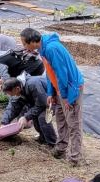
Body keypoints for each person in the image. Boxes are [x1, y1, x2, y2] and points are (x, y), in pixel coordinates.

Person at [20, 28, 84, 166]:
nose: (24, 47)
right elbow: (49, 73)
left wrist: (66, 96)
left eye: (25, 44)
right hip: (61, 90)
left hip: (71, 89)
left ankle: (75, 159)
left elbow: (62, 73)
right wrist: (51, 93)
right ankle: (61, 149)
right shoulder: (43, 49)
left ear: (33, 41)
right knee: (61, 120)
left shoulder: (51, 49)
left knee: (73, 124)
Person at [0, 77, 58, 147]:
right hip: (40, 103)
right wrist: (4, 122)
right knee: (35, 117)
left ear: (17, 88)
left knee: (43, 118)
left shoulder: (33, 85)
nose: (11, 96)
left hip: (53, 100)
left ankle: (52, 144)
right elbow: (12, 108)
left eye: (11, 94)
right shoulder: (16, 90)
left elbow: (42, 104)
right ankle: (43, 139)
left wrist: (26, 117)